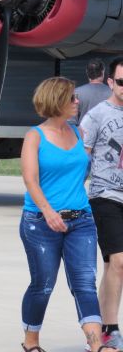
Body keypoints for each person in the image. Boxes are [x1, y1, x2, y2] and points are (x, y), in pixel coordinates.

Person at [20, 77, 114, 352]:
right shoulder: (34, 136)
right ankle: (31, 342)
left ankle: (96, 343)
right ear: (56, 101)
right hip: (40, 222)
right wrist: (48, 212)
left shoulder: (78, 133)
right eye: (72, 98)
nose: (77, 102)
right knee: (43, 284)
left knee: (85, 282)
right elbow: (30, 180)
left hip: (81, 219)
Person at [81, 56, 123, 350]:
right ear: (110, 82)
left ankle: (94, 326)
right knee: (120, 262)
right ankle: (110, 328)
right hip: (104, 195)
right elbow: (81, 156)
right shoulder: (97, 114)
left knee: (112, 267)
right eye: (121, 81)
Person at [70, 58, 111, 126]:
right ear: (103, 72)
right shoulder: (113, 94)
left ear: (87, 72)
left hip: (83, 134)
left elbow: (71, 120)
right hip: (107, 135)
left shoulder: (76, 92)